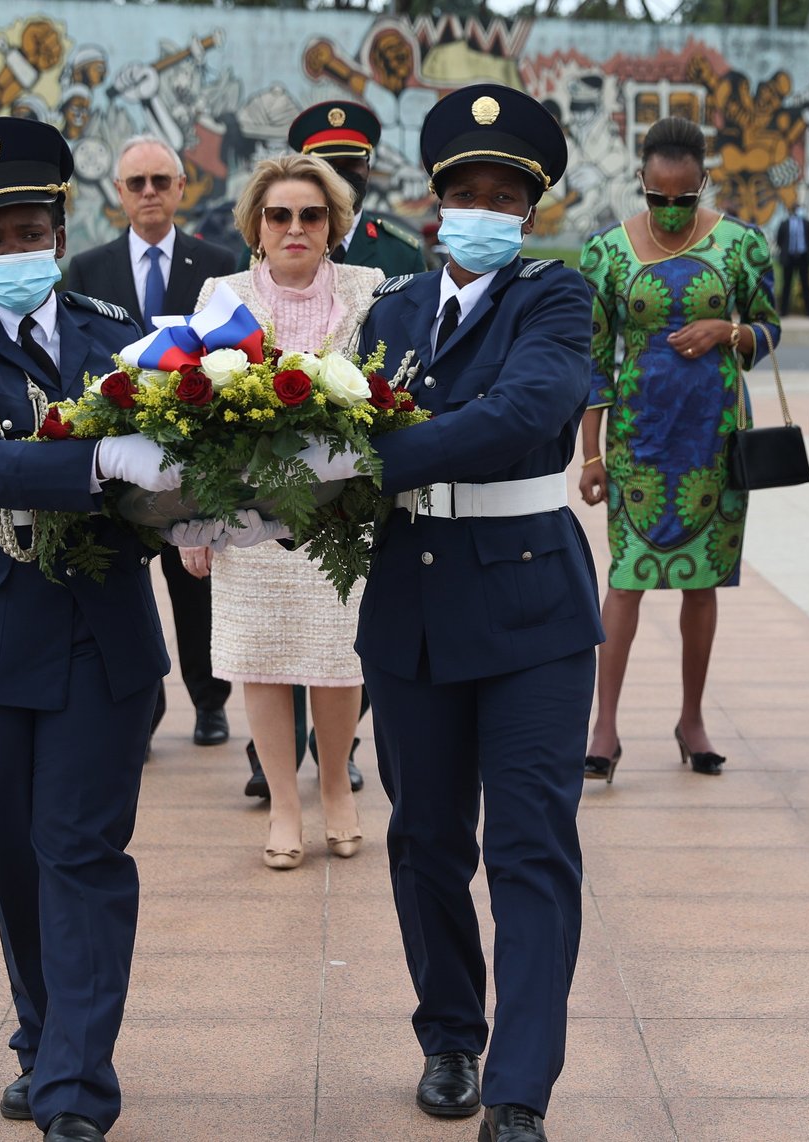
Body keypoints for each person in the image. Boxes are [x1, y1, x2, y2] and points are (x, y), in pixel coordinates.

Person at [0, 117, 210, 1142]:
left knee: (81, 848)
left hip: (96, 624)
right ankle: (41, 1030)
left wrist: (204, 496)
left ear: (60, 233)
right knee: (12, 856)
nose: (19, 251)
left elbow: (175, 446)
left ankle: (75, 1081)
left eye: (34, 231)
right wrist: (97, 464)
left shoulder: (114, 333)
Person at [336, 84, 602, 1142]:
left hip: (531, 598)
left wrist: (368, 454)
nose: (483, 205)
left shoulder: (554, 296)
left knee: (531, 844)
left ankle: (519, 1084)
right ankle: (450, 1031)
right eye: (464, 189)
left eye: (506, 193)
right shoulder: (389, 311)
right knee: (427, 835)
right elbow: (327, 412)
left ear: (530, 211)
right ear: (434, 198)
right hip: (412, 601)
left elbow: (531, 408)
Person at [180, 153, 380, 869]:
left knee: (338, 656)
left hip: (343, 515)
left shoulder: (370, 289)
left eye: (311, 215)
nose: (295, 227)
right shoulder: (221, 294)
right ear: (256, 227)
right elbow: (188, 417)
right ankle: (284, 804)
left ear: (333, 225)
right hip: (247, 517)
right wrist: (196, 522)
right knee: (261, 660)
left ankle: (336, 791)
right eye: (279, 215)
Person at [576, 117, 781, 783]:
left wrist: (731, 330)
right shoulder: (605, 252)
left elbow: (771, 330)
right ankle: (604, 727)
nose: (669, 210)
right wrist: (591, 454)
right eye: (658, 197)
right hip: (638, 441)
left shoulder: (744, 247)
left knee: (703, 584)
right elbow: (593, 360)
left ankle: (692, 719)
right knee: (626, 580)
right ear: (641, 183)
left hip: (715, 440)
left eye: (684, 198)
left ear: (702, 184)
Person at [63, 135, 240, 751]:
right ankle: (145, 704)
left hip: (194, 449)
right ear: (118, 193)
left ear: (181, 187)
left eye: (160, 181)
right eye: (135, 183)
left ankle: (209, 700)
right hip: (120, 452)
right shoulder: (87, 268)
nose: (148, 193)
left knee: (195, 579)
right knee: (126, 582)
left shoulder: (217, 264)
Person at [286, 100, 426, 275]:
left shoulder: (401, 254)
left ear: (367, 168)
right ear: (306, 173)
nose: (339, 176)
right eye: (328, 165)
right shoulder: (276, 244)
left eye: (351, 163)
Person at [774, 202, 809, 315]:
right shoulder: (784, 224)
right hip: (789, 258)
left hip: (803, 258)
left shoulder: (807, 223)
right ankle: (784, 311)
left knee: (805, 284)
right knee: (786, 285)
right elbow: (779, 240)